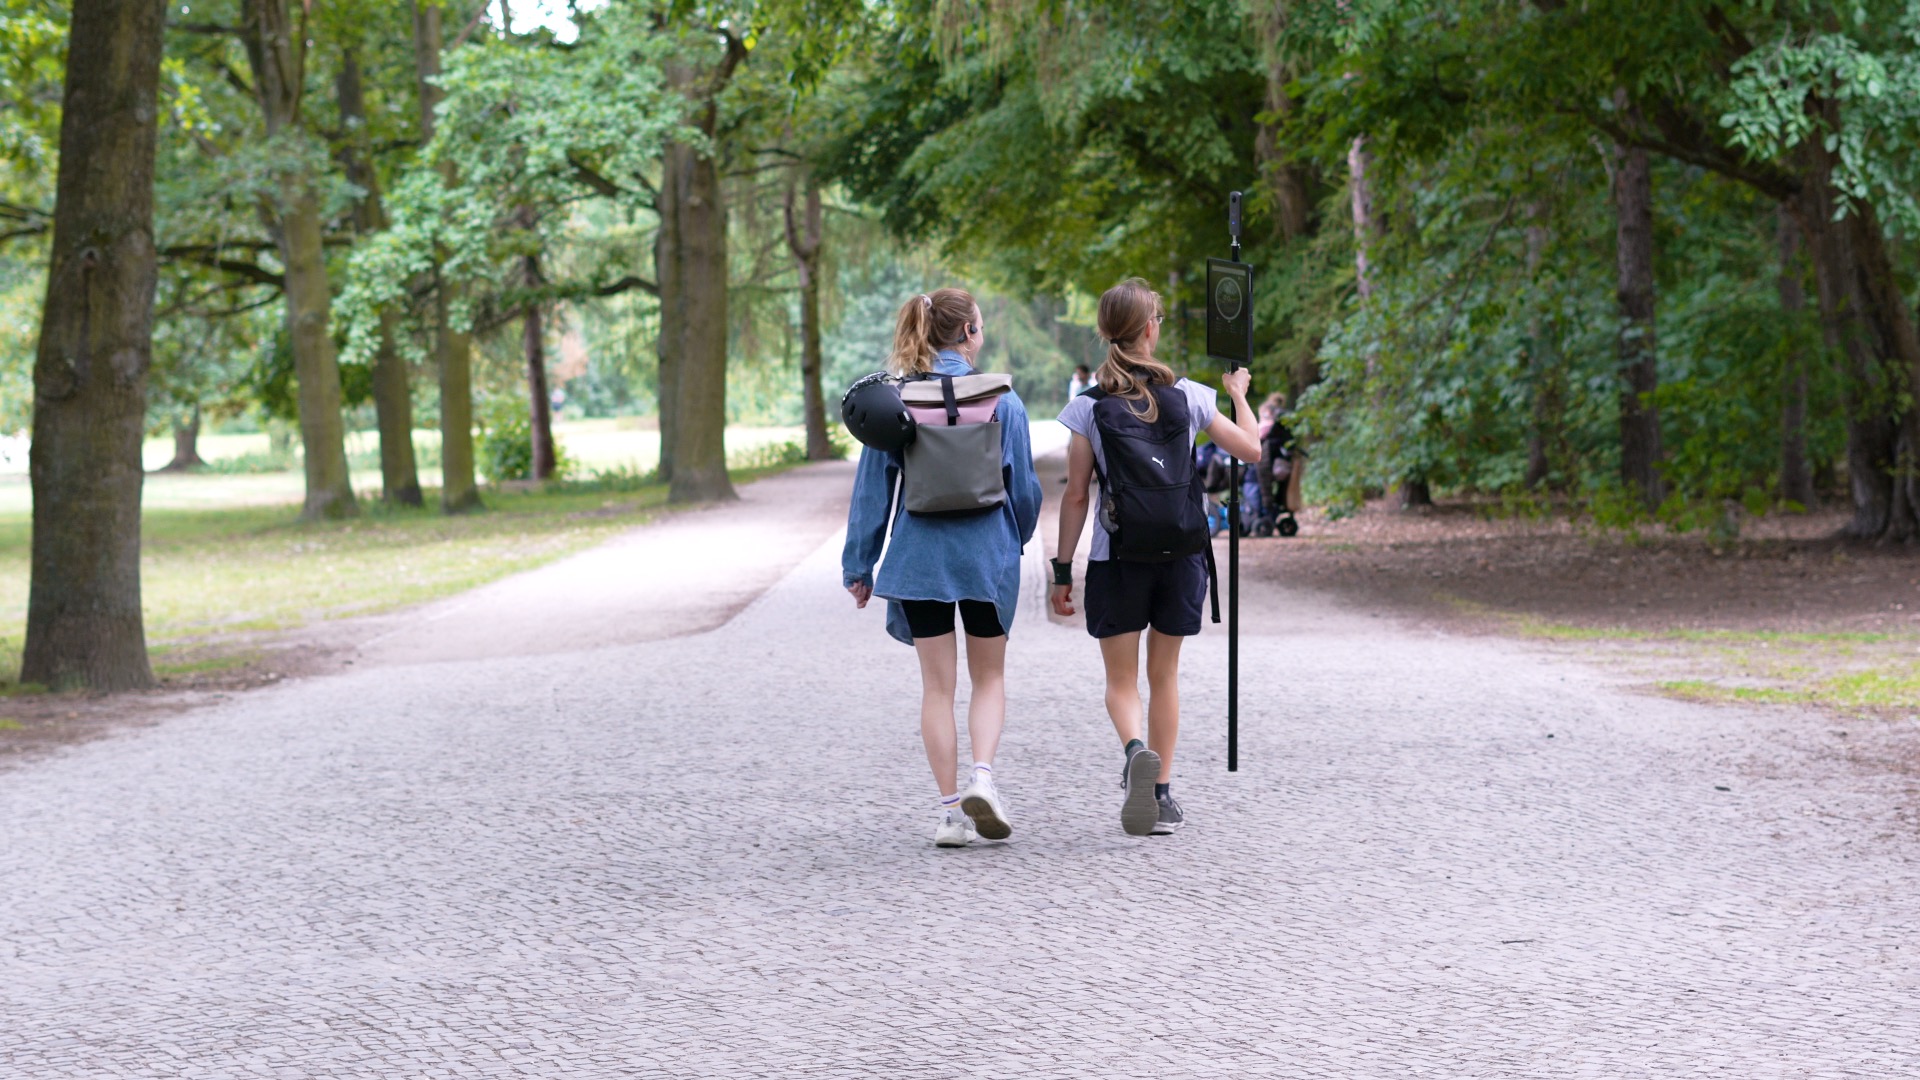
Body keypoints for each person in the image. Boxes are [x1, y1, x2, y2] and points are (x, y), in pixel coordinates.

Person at [1049, 278, 1259, 836]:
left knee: (1121, 681)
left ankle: (1134, 748)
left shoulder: (1087, 408)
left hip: (1118, 556)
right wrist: (1237, 391)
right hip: (1182, 553)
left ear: (1107, 333)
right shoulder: (1190, 395)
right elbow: (1252, 450)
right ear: (1149, 329)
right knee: (1164, 676)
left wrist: (1062, 569)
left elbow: (1076, 495)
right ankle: (1161, 795)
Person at [843, 288, 1045, 848]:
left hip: (919, 558)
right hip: (986, 556)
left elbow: (871, 492)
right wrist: (1016, 539)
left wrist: (860, 565)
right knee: (991, 677)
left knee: (937, 689)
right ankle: (984, 777)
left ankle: (951, 813)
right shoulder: (1005, 400)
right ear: (969, 333)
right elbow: (1022, 488)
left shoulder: (896, 400)